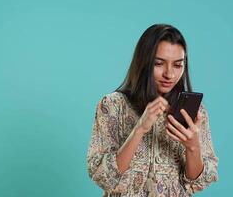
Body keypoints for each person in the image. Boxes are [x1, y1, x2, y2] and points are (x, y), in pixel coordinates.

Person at [87, 24, 218, 197]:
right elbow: (103, 177)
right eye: (159, 63)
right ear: (144, 62)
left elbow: (199, 181)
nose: (169, 74)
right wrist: (139, 129)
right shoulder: (113, 105)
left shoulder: (194, 113)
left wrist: (193, 146)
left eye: (178, 65)